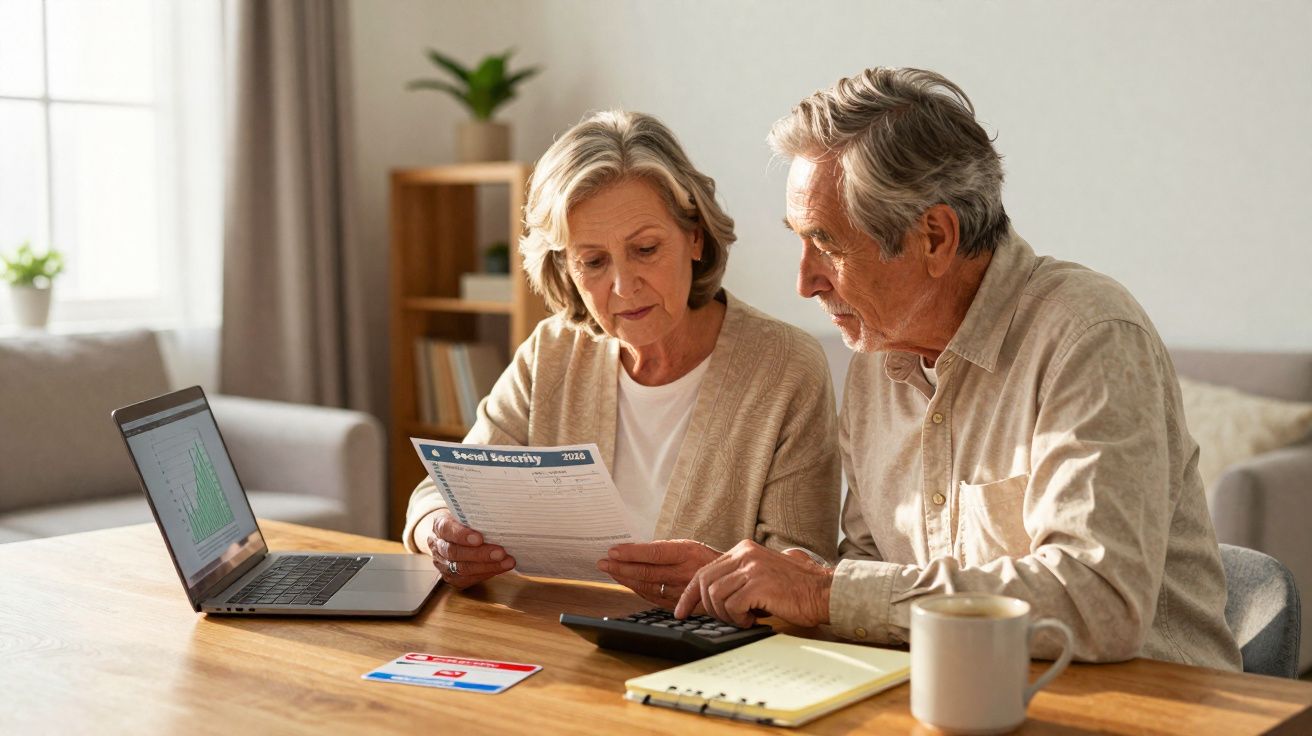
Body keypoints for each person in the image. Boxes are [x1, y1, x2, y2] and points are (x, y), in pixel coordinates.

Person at [676, 68, 1242, 670]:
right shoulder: (877, 358)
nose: (805, 281)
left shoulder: (1090, 336)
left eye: (828, 244)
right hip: (956, 696)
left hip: (1141, 703)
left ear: (936, 237)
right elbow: (869, 577)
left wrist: (823, 592)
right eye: (800, 240)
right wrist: (740, 594)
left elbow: (1097, 603)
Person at [404, 110, 841, 608]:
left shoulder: (786, 367)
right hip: (552, 633)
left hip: (705, 646)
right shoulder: (552, 351)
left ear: (695, 236)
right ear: (566, 269)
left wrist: (720, 580)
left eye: (646, 249)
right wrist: (439, 532)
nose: (623, 286)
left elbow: (805, 570)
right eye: (593, 261)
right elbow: (440, 493)